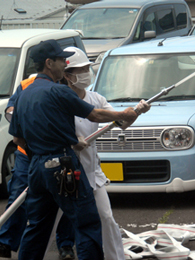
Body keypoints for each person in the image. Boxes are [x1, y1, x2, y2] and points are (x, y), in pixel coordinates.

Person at [8, 39, 149, 260]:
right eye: (60, 60)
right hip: (63, 166)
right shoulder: (59, 92)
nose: (64, 64)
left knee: (36, 227)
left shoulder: (24, 95)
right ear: (48, 63)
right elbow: (95, 115)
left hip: (37, 169)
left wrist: (40, 156)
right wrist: (123, 115)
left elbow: (18, 139)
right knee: (87, 222)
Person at [62, 46, 135, 260]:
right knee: (52, 220)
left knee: (106, 217)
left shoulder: (96, 99)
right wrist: (71, 141)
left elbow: (120, 121)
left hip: (92, 173)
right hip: (66, 173)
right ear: (67, 75)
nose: (86, 72)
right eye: (80, 69)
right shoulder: (60, 98)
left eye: (87, 68)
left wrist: (135, 112)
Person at [0, 77, 76, 260]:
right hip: (26, 152)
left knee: (65, 193)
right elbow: (10, 110)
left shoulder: (66, 84)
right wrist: (22, 115)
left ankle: (66, 246)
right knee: (18, 196)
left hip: (55, 152)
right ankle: (6, 243)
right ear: (48, 62)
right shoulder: (26, 85)